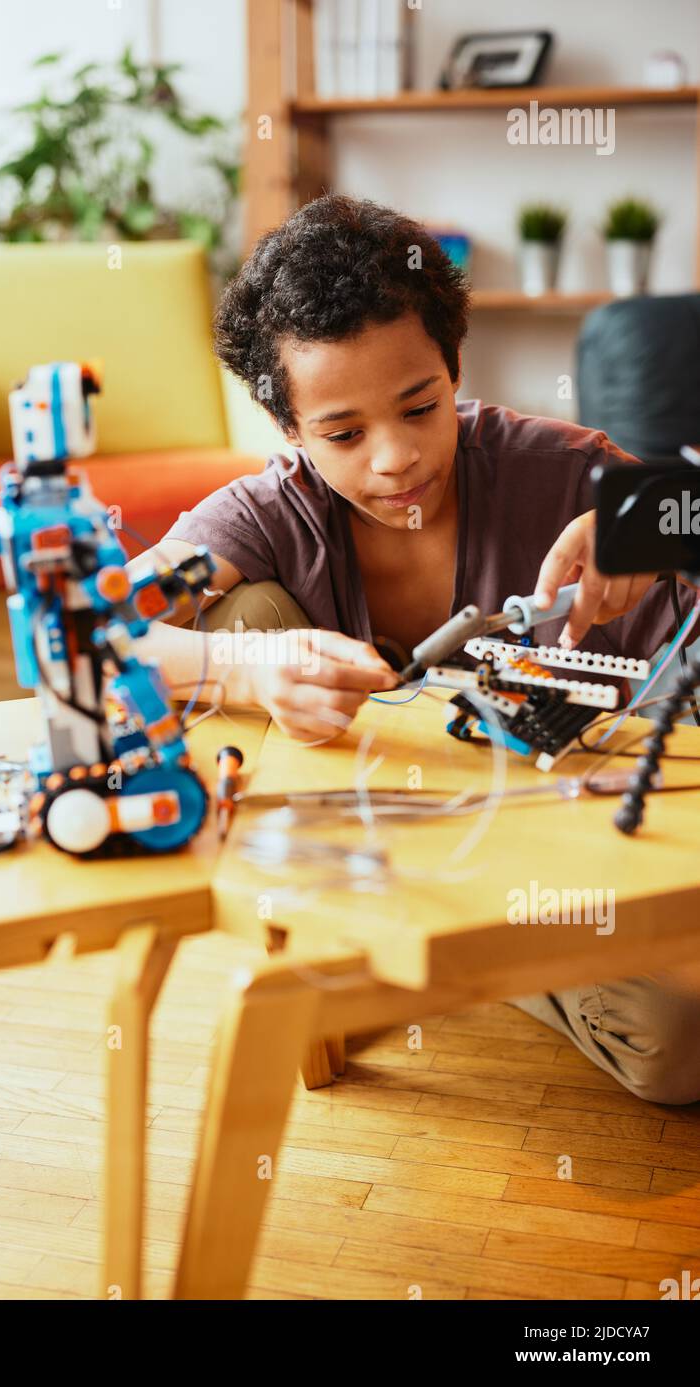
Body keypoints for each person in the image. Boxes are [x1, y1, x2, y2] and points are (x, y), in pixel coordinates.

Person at [128, 194, 700, 1104]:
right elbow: (95, 636)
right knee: (237, 615)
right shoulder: (263, 516)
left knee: (678, 1045)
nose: (394, 459)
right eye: (343, 435)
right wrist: (248, 668)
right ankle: (380, 925)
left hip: (571, 845)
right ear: (287, 431)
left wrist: (657, 529)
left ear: (454, 368)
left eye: (420, 406)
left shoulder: (563, 470)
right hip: (368, 843)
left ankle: (463, 947)